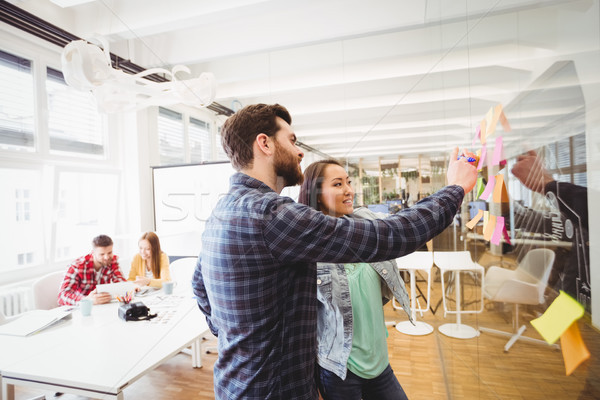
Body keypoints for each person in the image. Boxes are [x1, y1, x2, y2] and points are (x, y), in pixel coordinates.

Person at [192, 103, 477, 400]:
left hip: (234, 384)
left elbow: (199, 285)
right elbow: (388, 237)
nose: (300, 151)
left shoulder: (222, 211)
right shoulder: (270, 214)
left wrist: (237, 339)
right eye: (291, 140)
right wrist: (455, 189)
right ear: (264, 143)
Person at [298, 159, 411, 400]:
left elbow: (402, 232)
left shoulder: (367, 223)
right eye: (338, 184)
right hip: (340, 369)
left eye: (348, 182)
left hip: (379, 361)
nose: (349, 190)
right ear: (317, 195)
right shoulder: (308, 248)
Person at [511, 149, 589, 306]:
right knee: (551, 327)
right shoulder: (576, 222)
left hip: (579, 308)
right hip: (570, 300)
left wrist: (546, 184)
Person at [58, 234, 126, 306]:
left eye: (109, 253)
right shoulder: (77, 266)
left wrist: (131, 287)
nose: (106, 257)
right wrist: (88, 300)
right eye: (102, 254)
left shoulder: (111, 260)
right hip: (81, 307)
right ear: (93, 253)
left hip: (101, 306)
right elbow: (62, 296)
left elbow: (121, 283)